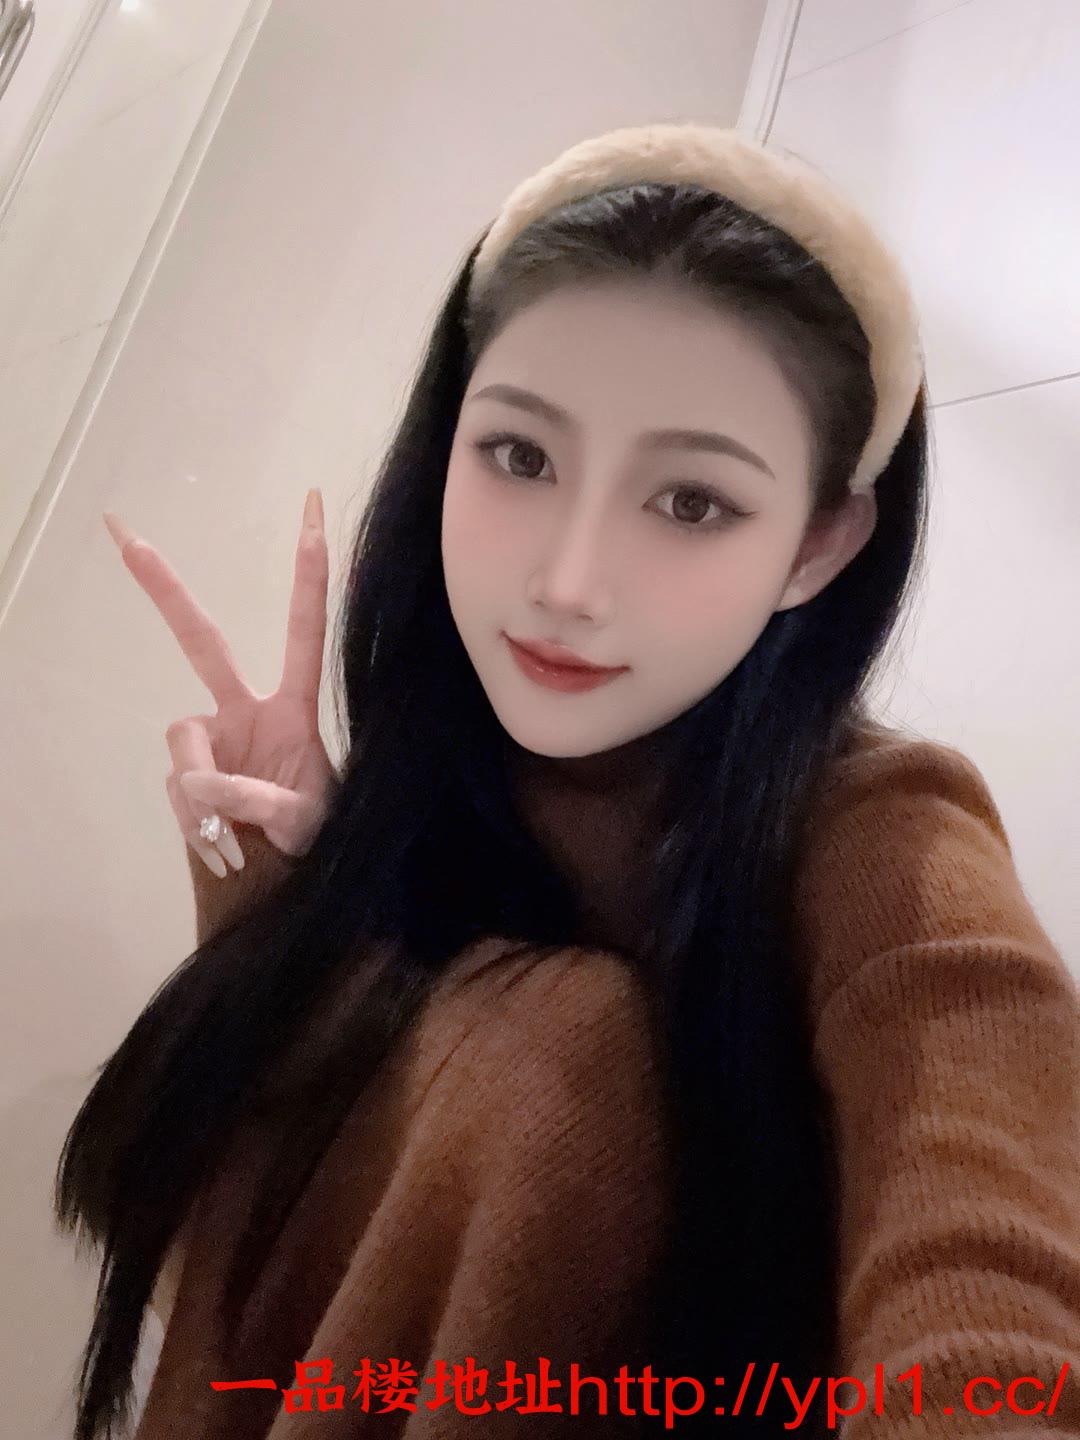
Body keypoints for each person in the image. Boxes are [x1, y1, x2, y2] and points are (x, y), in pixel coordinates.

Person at [54, 123, 1080, 1440]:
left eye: (693, 503)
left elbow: (992, 1268)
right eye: (522, 458)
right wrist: (286, 905)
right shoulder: (437, 771)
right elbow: (239, 1284)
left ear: (817, 548)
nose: (568, 583)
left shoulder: (879, 830)